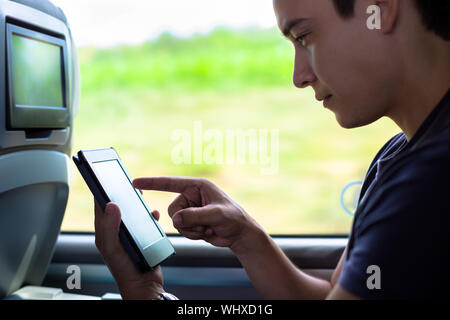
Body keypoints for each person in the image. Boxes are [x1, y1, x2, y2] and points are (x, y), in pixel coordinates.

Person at [94, 0, 450, 300]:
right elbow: (334, 293)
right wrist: (246, 236)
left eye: (305, 38)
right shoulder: (399, 155)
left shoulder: (428, 182)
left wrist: (146, 292)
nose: (299, 76)